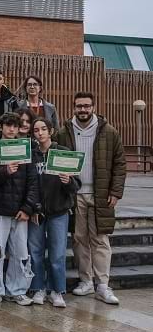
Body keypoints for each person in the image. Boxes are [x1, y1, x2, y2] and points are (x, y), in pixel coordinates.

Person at [56, 91, 126, 305]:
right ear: (73, 108)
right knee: (78, 240)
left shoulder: (109, 132)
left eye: (87, 106)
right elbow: (56, 160)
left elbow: (120, 164)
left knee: (100, 240)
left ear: (93, 107)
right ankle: (85, 281)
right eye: (79, 106)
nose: (83, 110)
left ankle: (103, 285)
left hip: (100, 195)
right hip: (74, 194)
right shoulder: (63, 132)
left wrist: (115, 192)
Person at [0, 112, 39, 307]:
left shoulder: (26, 149)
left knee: (21, 253)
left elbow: (33, 182)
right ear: (1, 127)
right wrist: (4, 172)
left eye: (15, 125)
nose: (11, 129)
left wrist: (28, 207)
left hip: (19, 212)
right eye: (8, 125)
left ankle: (18, 290)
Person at [28, 118, 81, 308]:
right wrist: (32, 207)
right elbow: (27, 185)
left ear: (51, 131)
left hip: (59, 211)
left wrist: (68, 181)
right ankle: (38, 288)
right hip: (36, 212)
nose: (40, 133)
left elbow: (76, 186)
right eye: (36, 130)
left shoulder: (63, 153)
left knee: (57, 254)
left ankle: (57, 290)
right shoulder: (31, 155)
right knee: (35, 252)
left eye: (43, 129)